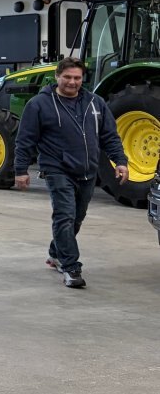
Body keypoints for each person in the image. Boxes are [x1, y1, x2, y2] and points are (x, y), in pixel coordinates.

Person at [13, 56, 127, 289]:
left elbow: (109, 136)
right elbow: (25, 140)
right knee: (64, 216)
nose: (72, 82)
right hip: (57, 169)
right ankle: (71, 267)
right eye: (67, 77)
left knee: (76, 218)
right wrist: (20, 170)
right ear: (57, 76)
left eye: (77, 78)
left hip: (87, 170)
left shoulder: (95, 103)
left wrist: (120, 161)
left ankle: (56, 254)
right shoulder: (39, 104)